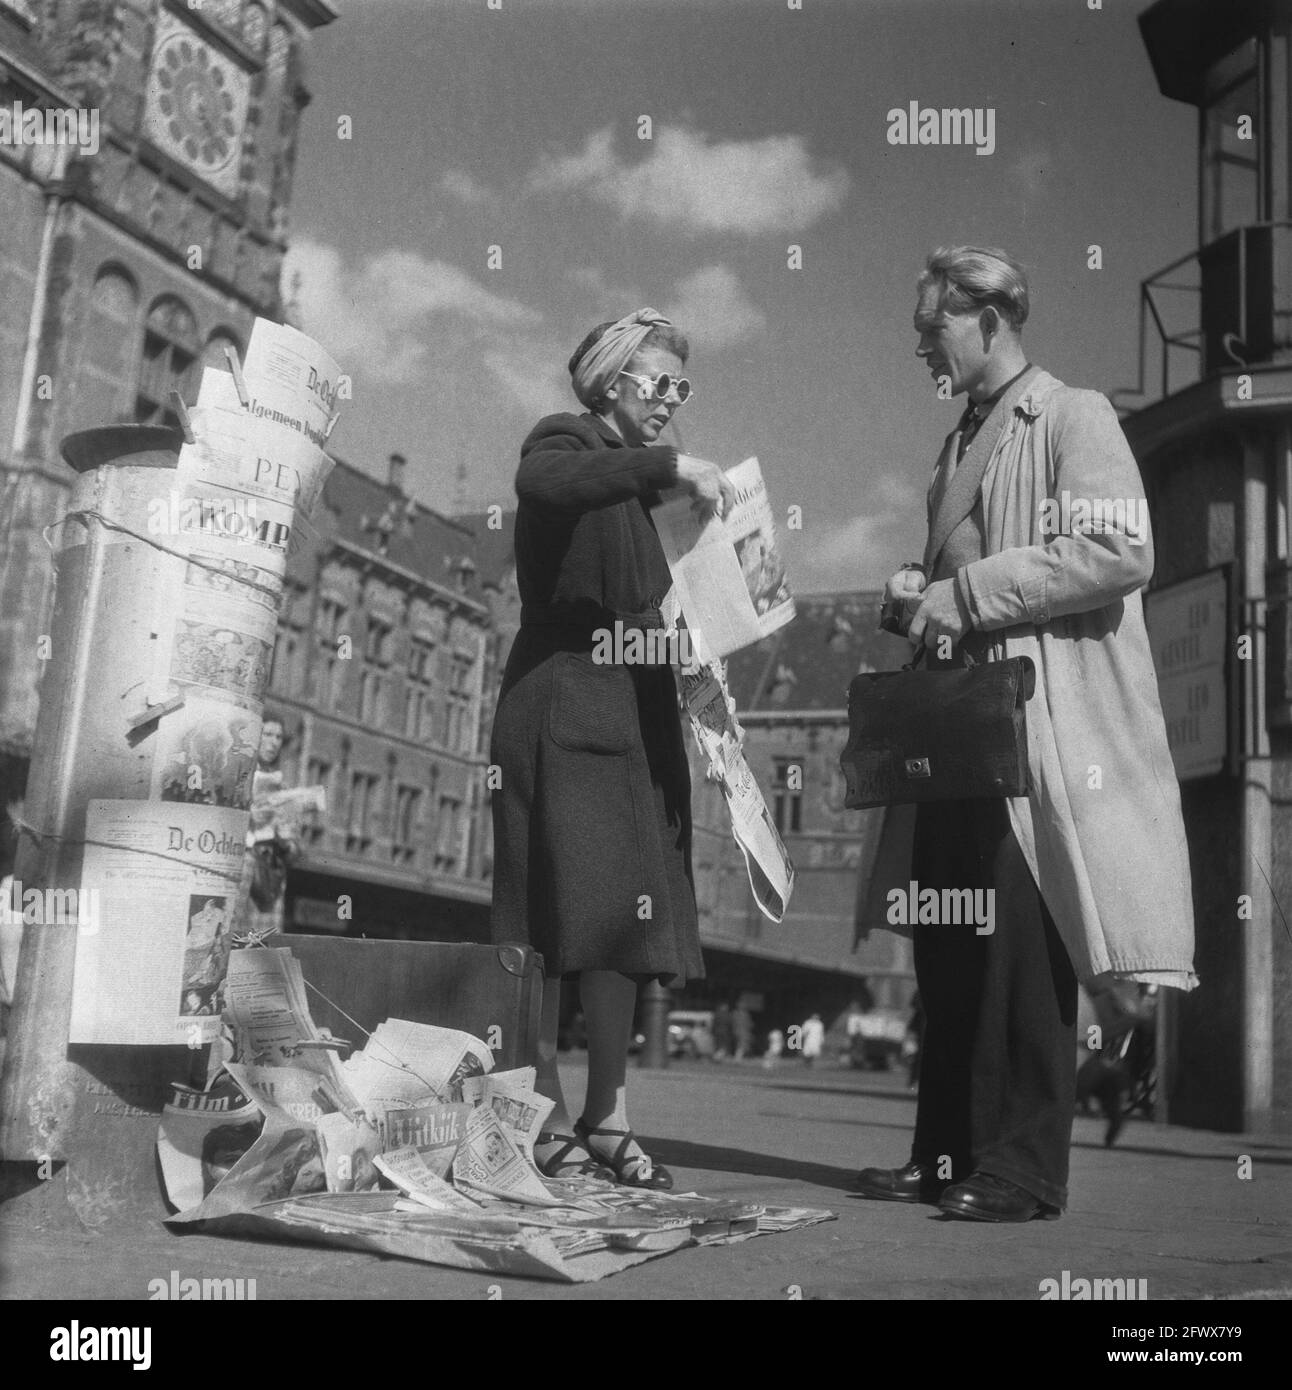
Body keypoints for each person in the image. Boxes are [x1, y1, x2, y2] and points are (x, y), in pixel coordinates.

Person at [855, 246, 1196, 1222]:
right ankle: (943, 1151)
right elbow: (977, 580)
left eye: (934, 327)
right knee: (946, 938)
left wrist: (962, 591)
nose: (922, 344)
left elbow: (1117, 546)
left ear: (990, 317)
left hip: (1030, 729)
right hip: (960, 727)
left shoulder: (1073, 414)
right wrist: (919, 598)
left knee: (1013, 941)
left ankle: (1020, 1168)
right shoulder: (957, 438)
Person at [490, 308, 734, 1190]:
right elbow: (544, 483)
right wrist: (668, 465)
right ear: (610, 380)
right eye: (658, 384)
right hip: (562, 695)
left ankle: (609, 1114)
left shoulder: (646, 493)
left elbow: (660, 612)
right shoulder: (567, 438)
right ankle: (545, 1111)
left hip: (635, 710)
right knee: (553, 914)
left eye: (682, 388)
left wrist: (701, 671)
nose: (671, 402)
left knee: (625, 922)